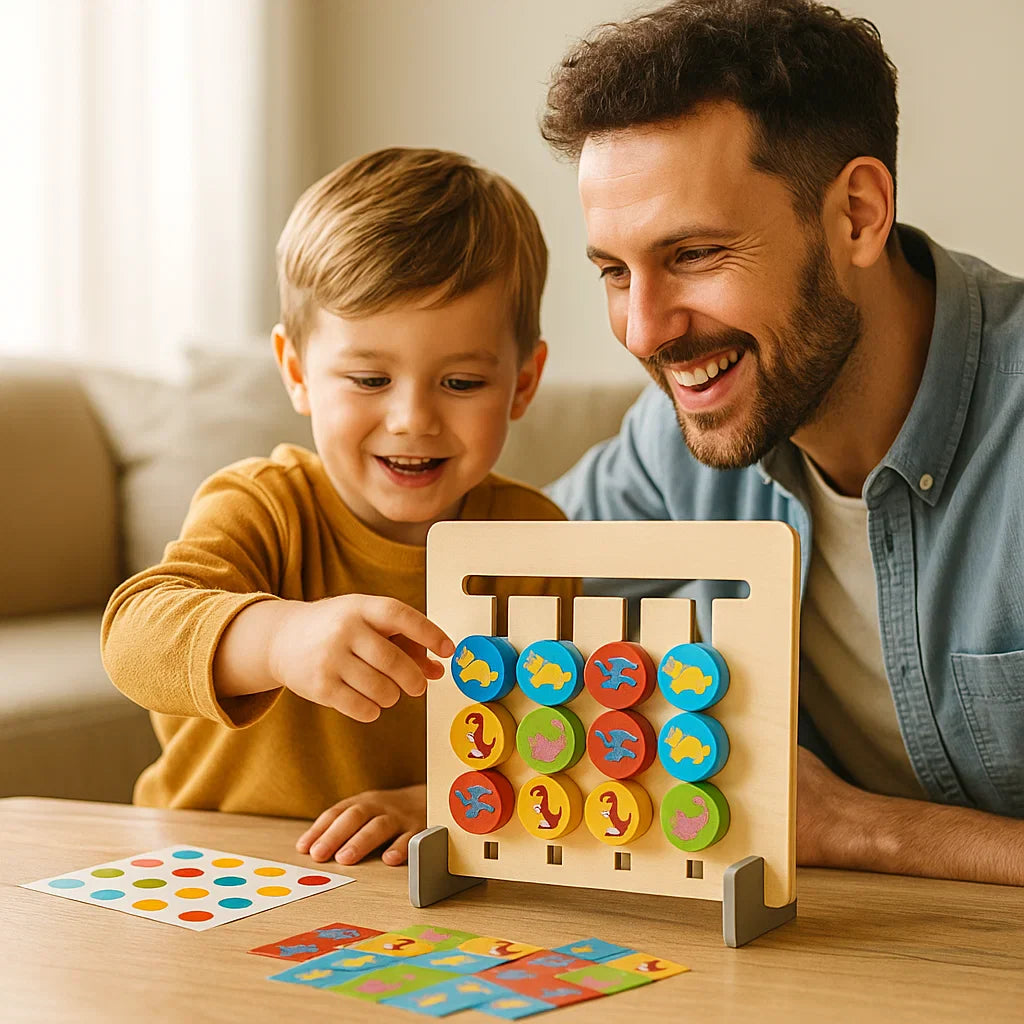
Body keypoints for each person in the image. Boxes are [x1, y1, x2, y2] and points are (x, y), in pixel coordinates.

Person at [541, 0, 1024, 884]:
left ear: (857, 216)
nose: (644, 332)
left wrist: (866, 830)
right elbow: (474, 588)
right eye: (615, 271)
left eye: (693, 254)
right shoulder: (672, 443)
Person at [102, 147, 571, 867]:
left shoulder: (536, 542)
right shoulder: (263, 506)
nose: (413, 418)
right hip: (209, 870)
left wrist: (438, 800)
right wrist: (278, 639)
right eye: (369, 377)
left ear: (523, 382)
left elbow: (566, 744)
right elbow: (133, 641)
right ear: (296, 372)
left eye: (463, 382)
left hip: (420, 888)